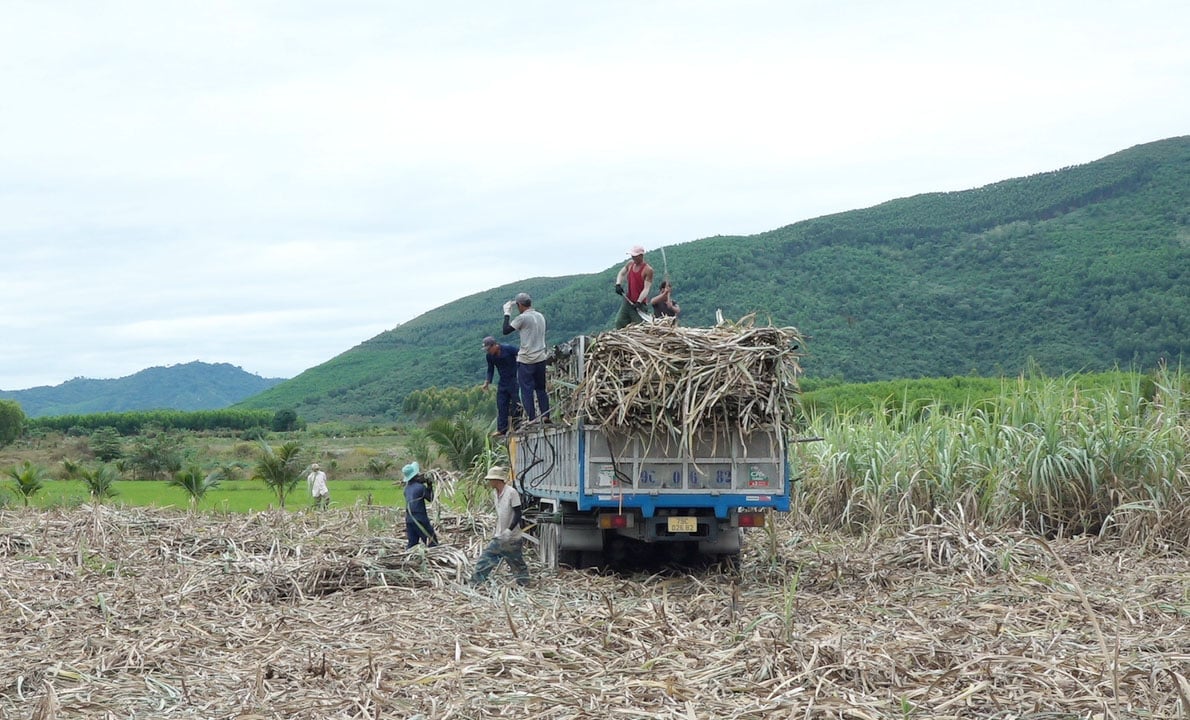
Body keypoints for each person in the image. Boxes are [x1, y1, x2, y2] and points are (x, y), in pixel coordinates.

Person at [468, 466, 530, 587]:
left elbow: (518, 513)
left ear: (497, 480)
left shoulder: (511, 493)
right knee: (486, 559)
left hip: (511, 537)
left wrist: (509, 530)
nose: (489, 482)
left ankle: (524, 582)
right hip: (500, 536)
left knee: (516, 562)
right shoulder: (495, 494)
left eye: (491, 479)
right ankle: (475, 582)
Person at [501, 292, 550, 423]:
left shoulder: (522, 318)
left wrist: (507, 313)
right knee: (541, 389)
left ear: (520, 305)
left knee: (526, 390)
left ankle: (532, 418)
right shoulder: (540, 316)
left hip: (526, 360)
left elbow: (505, 330)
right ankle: (545, 415)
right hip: (541, 357)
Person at [482, 336, 520, 437]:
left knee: (516, 404)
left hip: (514, 379)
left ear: (495, 345)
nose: (488, 351)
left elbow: (521, 353)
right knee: (501, 404)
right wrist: (487, 382)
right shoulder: (489, 356)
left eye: (489, 349)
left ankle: (517, 426)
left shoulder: (507, 349)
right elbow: (490, 370)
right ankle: (502, 429)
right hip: (503, 381)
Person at [614, 245, 655, 328]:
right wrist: (618, 284)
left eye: (635, 256)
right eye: (632, 256)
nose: (633, 258)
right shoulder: (630, 264)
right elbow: (621, 273)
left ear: (641, 256)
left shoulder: (648, 270)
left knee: (640, 326)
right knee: (619, 322)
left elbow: (646, 288)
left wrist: (639, 302)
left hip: (639, 304)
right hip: (628, 300)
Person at [402, 461, 438, 548]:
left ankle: (408, 559)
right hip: (420, 519)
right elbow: (431, 498)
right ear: (415, 476)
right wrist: (429, 486)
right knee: (432, 543)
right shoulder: (420, 487)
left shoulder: (406, 489)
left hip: (409, 519)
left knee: (412, 544)